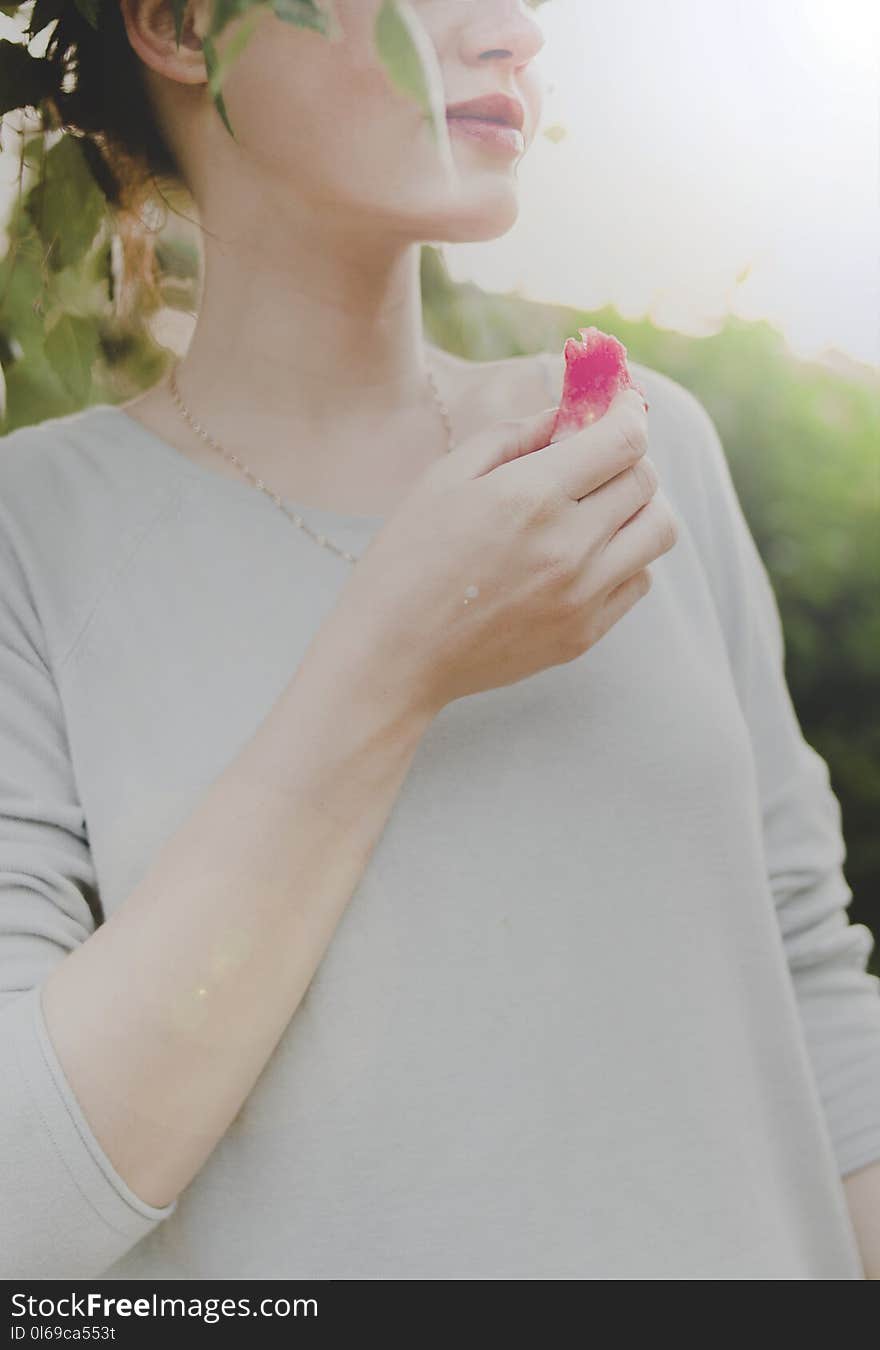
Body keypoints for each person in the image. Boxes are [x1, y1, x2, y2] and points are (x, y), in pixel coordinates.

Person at [1, 0, 878, 1281]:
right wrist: (390, 662)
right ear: (182, 25)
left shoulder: (638, 444)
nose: (515, 30)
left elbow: (809, 986)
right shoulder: (33, 534)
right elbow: (28, 1207)